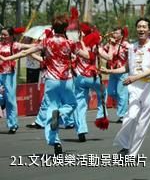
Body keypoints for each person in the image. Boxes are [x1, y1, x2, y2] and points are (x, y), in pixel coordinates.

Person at [0, 15, 89, 154]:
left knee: (50, 109)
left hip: (51, 81)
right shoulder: (70, 43)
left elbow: (25, 52)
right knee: (71, 105)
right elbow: (87, 56)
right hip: (66, 80)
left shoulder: (46, 42)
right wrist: (81, 42)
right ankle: (61, 114)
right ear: (65, 28)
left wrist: (7, 58)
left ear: (52, 28)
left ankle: (55, 142)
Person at [102, 17, 150, 156]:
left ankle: (132, 154)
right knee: (130, 117)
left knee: (142, 123)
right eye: (139, 26)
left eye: (144, 27)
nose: (141, 29)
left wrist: (134, 77)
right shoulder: (131, 47)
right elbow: (126, 68)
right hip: (135, 87)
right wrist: (109, 71)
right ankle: (125, 145)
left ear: (149, 30)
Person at [73, 24, 106, 142]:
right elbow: (108, 57)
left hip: (80, 78)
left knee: (80, 104)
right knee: (102, 94)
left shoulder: (75, 45)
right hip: (93, 77)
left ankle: (81, 129)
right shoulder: (95, 45)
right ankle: (101, 115)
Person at [0, 27, 34, 134]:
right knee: (2, 98)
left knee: (10, 100)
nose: (2, 36)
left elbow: (28, 46)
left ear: (11, 36)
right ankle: (2, 103)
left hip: (9, 75)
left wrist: (42, 44)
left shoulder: (15, 45)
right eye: (1, 34)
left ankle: (13, 124)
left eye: (5, 35)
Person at [101, 27, 129, 123]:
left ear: (122, 35)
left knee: (121, 93)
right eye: (114, 33)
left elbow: (131, 53)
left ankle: (122, 115)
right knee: (112, 92)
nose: (114, 35)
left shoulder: (125, 44)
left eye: (117, 33)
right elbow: (103, 52)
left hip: (122, 72)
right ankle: (124, 104)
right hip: (112, 71)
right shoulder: (110, 45)